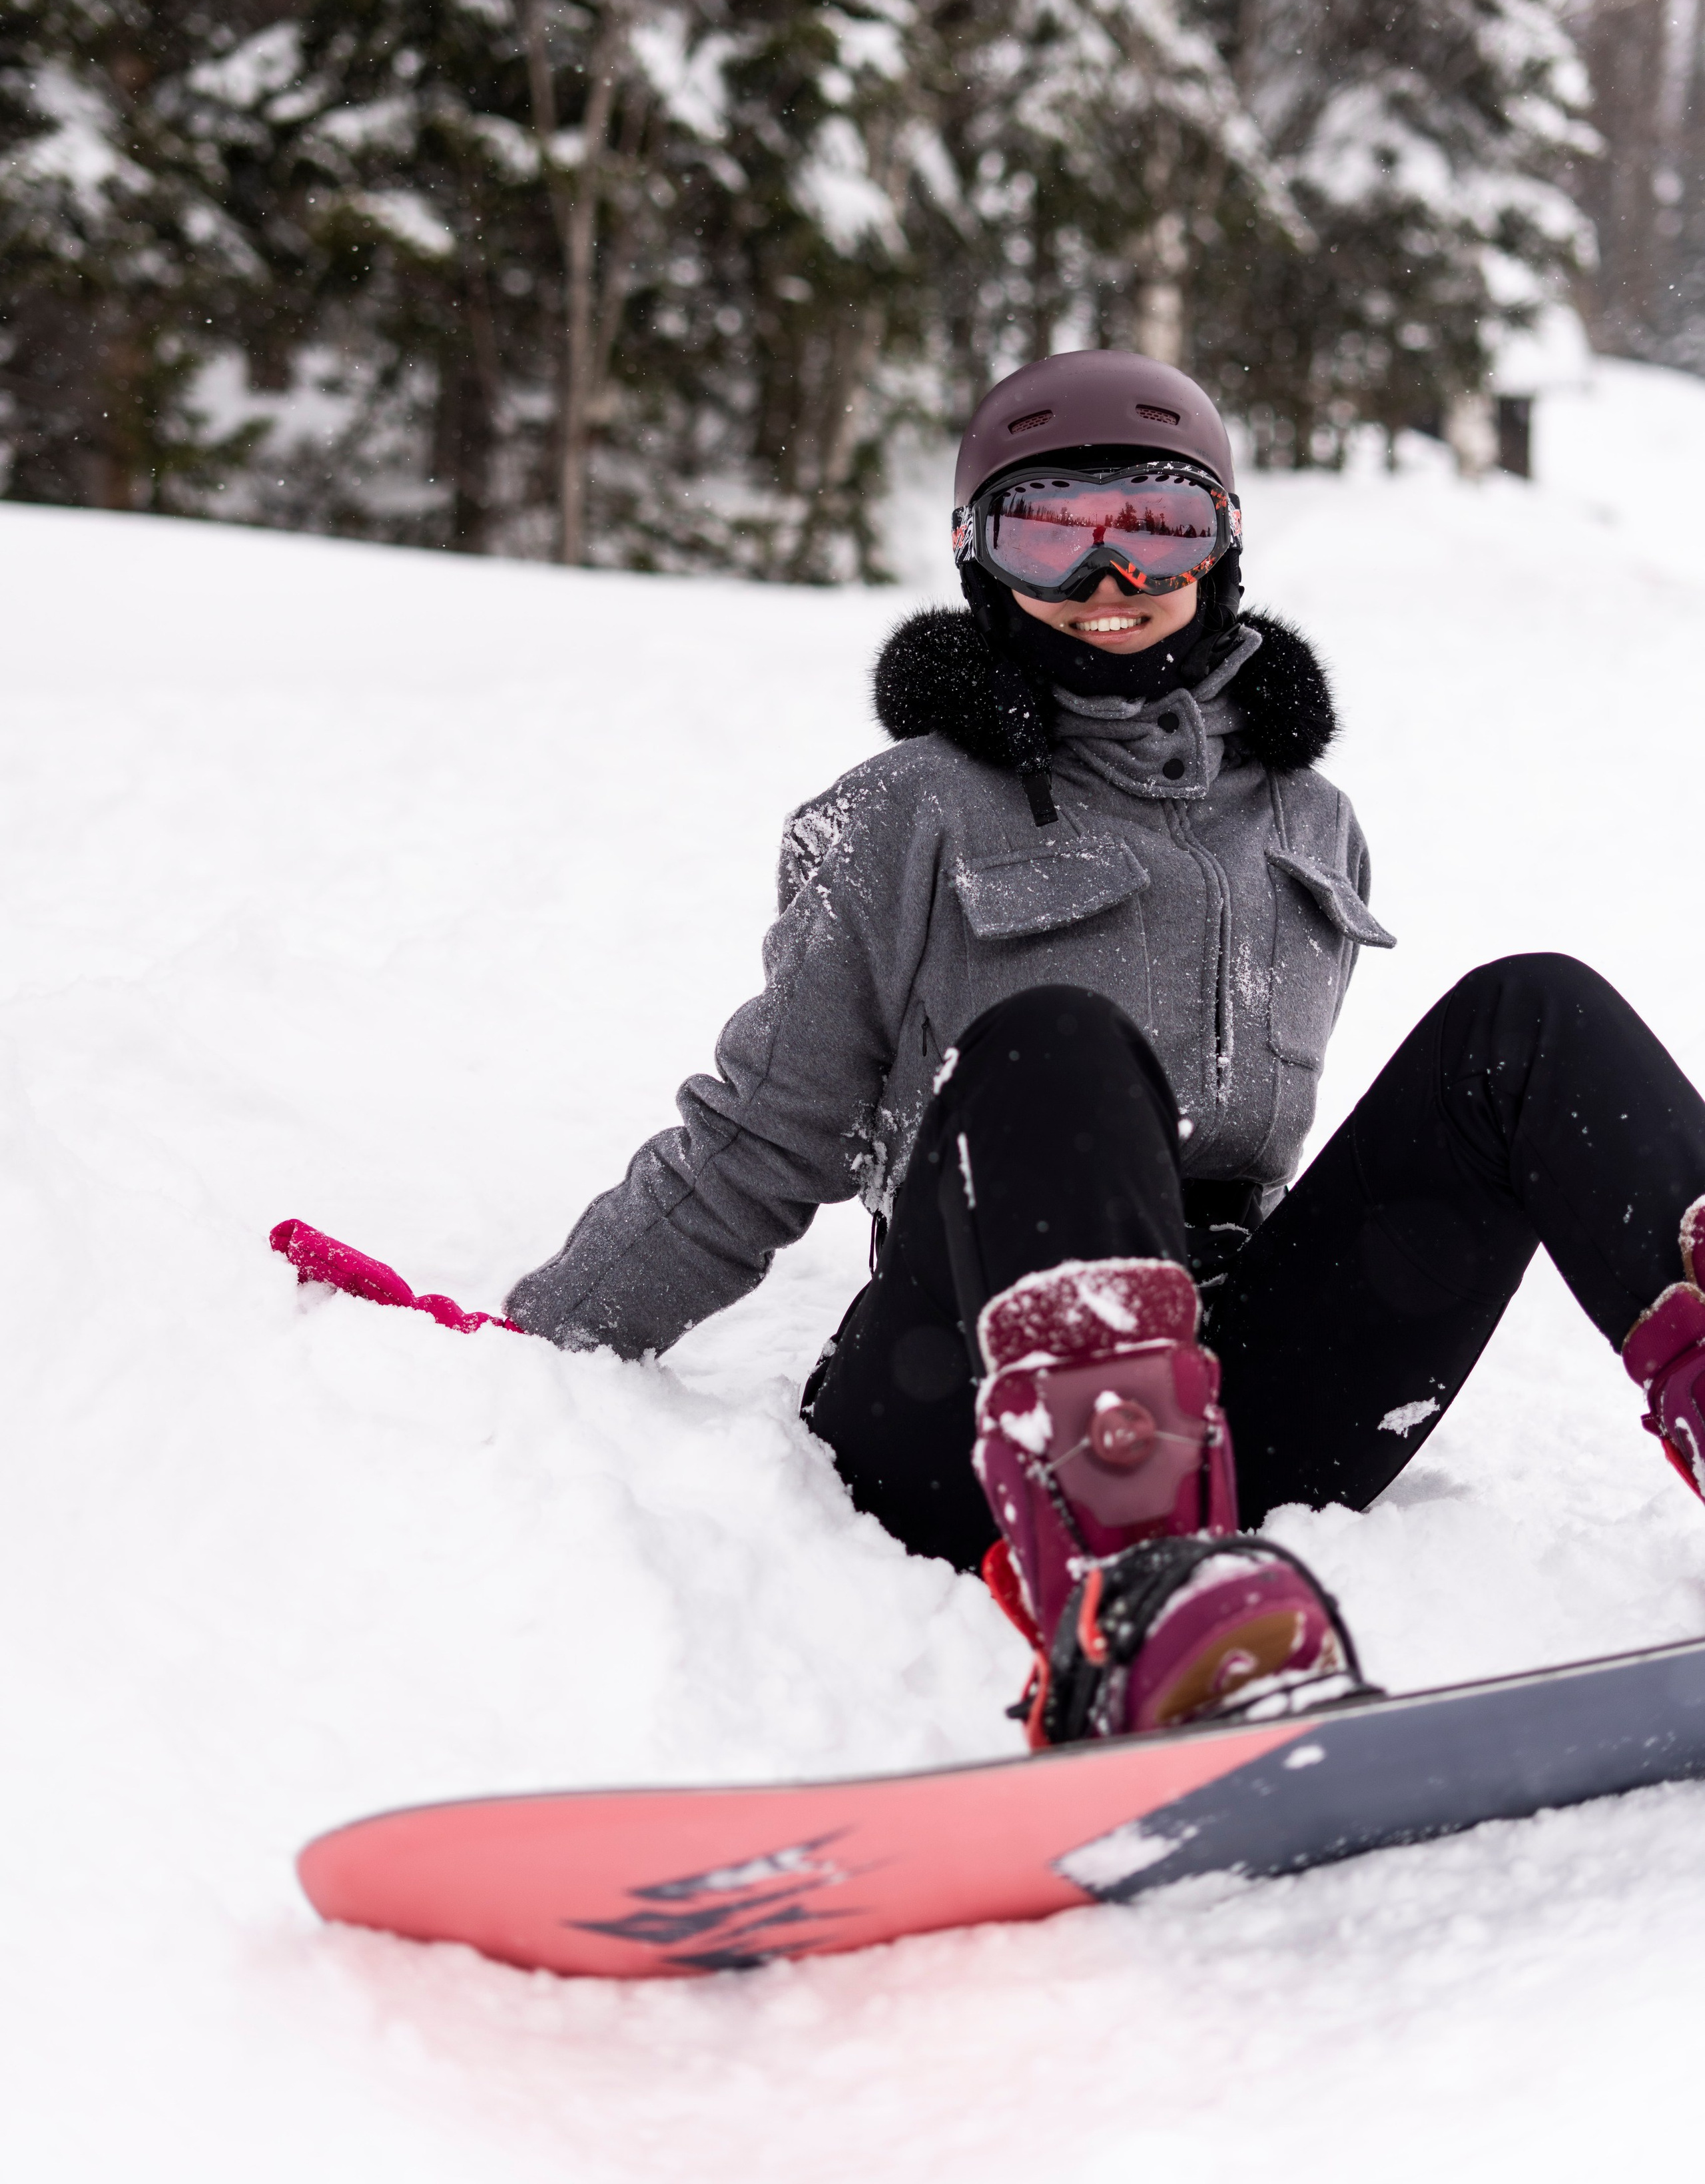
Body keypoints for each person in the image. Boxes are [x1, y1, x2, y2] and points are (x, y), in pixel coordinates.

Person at [502, 349, 1705, 1746]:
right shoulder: (899, 814)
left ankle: (1197, 1558)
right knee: (1058, 1044)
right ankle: (1137, 1611)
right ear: (977, 555)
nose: (1109, 579)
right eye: (1049, 536)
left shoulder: (1307, 818)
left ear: (1223, 545)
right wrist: (527, 1347)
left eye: (1157, 528)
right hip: (963, 1408)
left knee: (1534, 1015)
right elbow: (761, 1141)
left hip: (1241, 1392)